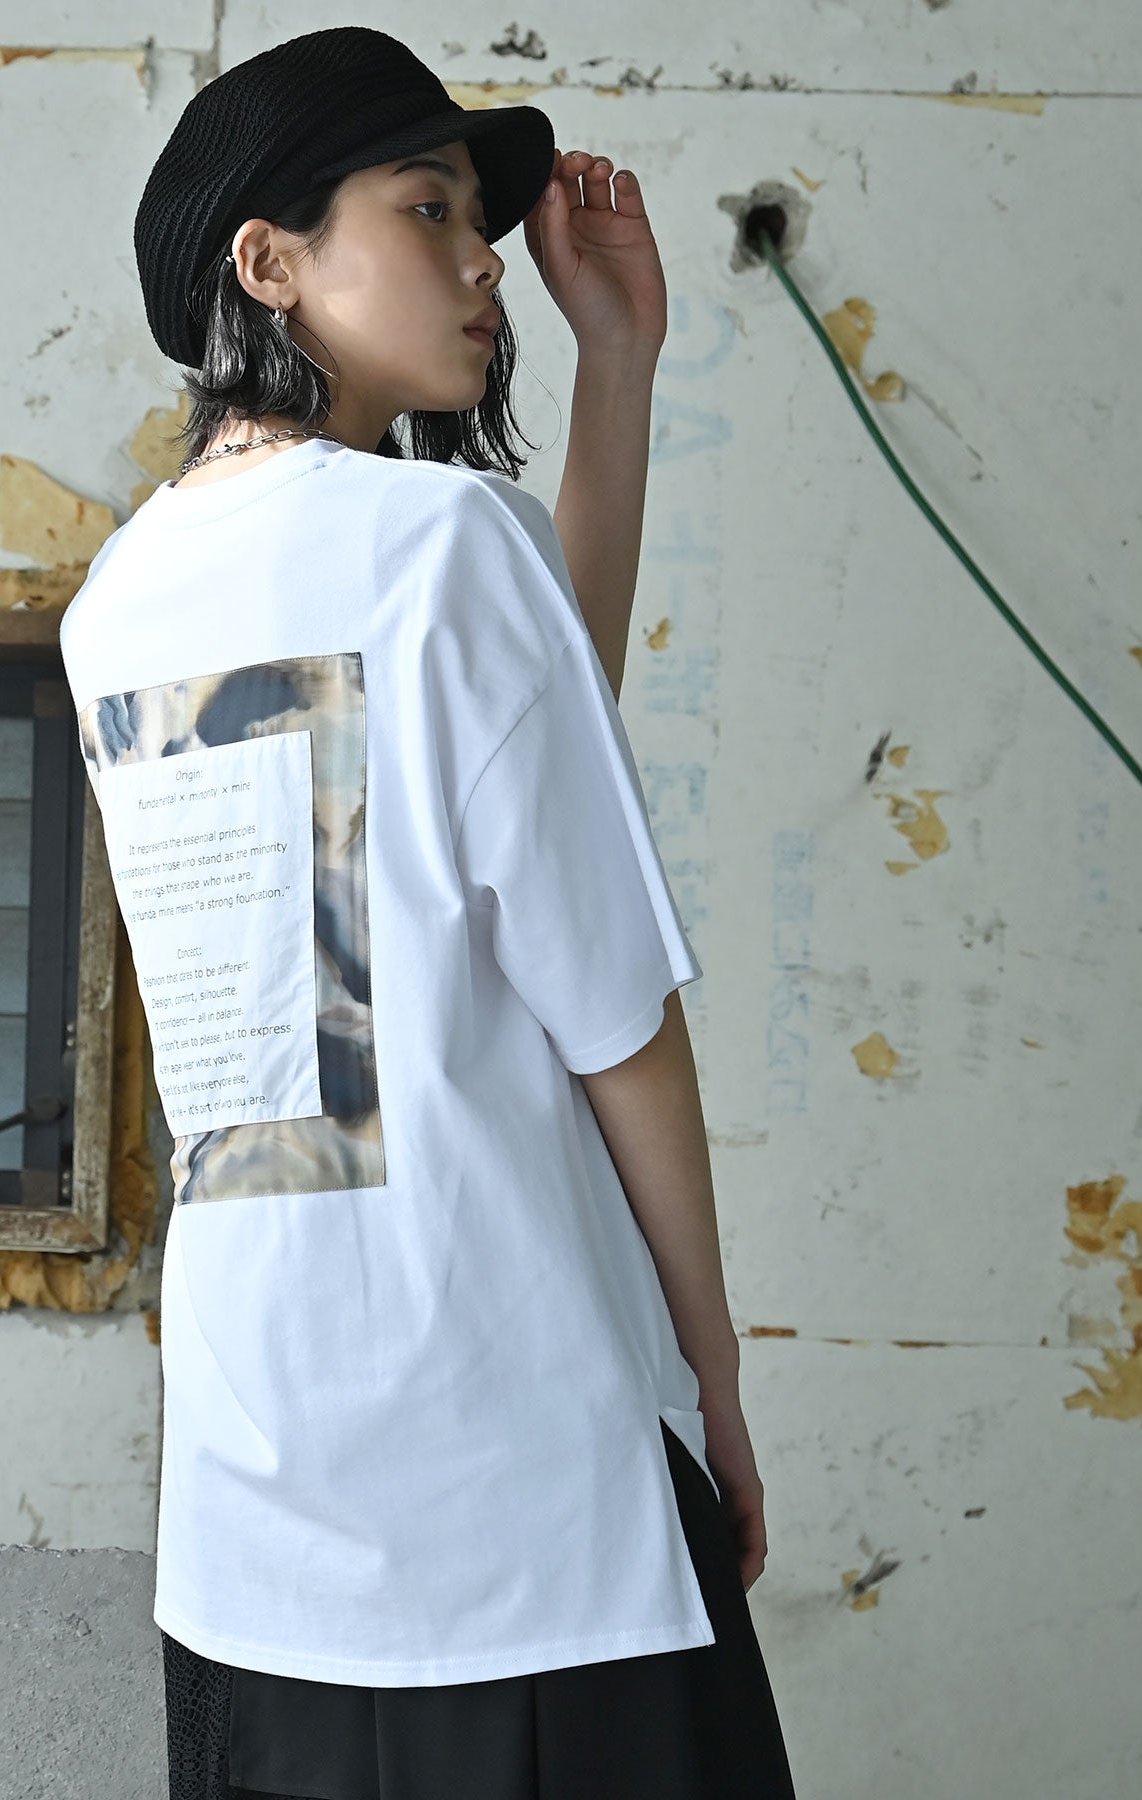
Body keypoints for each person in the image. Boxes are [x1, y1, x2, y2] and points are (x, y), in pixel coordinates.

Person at [59, 24, 798, 1800]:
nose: (486, 262)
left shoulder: (116, 601)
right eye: (428, 209)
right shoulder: (443, 543)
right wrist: (707, 1374)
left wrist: (614, 369)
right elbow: (611, 1006)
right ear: (269, 261)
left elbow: (530, 732)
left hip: (256, 1508)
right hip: (524, 1478)